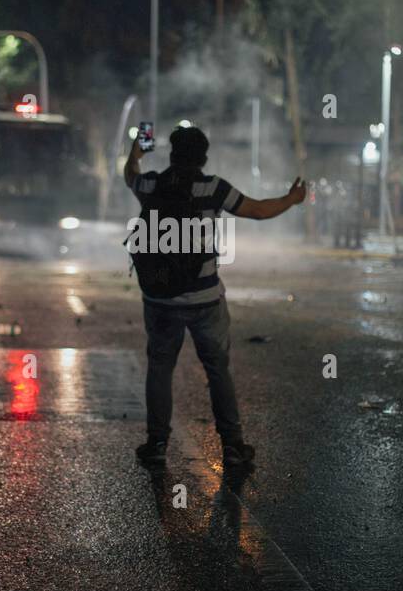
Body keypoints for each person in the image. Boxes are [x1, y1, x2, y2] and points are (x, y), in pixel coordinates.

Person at [124, 125, 306, 468]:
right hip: (205, 299)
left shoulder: (150, 185)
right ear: (203, 158)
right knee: (218, 370)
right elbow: (257, 210)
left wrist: (137, 149)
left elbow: (129, 174)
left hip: (160, 299)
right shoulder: (213, 188)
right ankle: (233, 447)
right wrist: (291, 199)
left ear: (173, 154)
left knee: (160, 368)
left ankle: (157, 442)